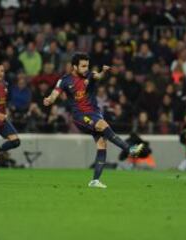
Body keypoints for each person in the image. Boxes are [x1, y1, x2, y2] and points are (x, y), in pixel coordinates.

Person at [43, 53, 144, 188]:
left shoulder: (90, 75)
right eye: (83, 66)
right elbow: (55, 93)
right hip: (80, 116)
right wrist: (49, 100)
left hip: (95, 113)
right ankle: (130, 150)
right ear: (74, 66)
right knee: (103, 125)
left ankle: (95, 180)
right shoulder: (65, 80)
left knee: (102, 143)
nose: (86, 68)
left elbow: (98, 76)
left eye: (87, 66)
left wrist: (103, 71)